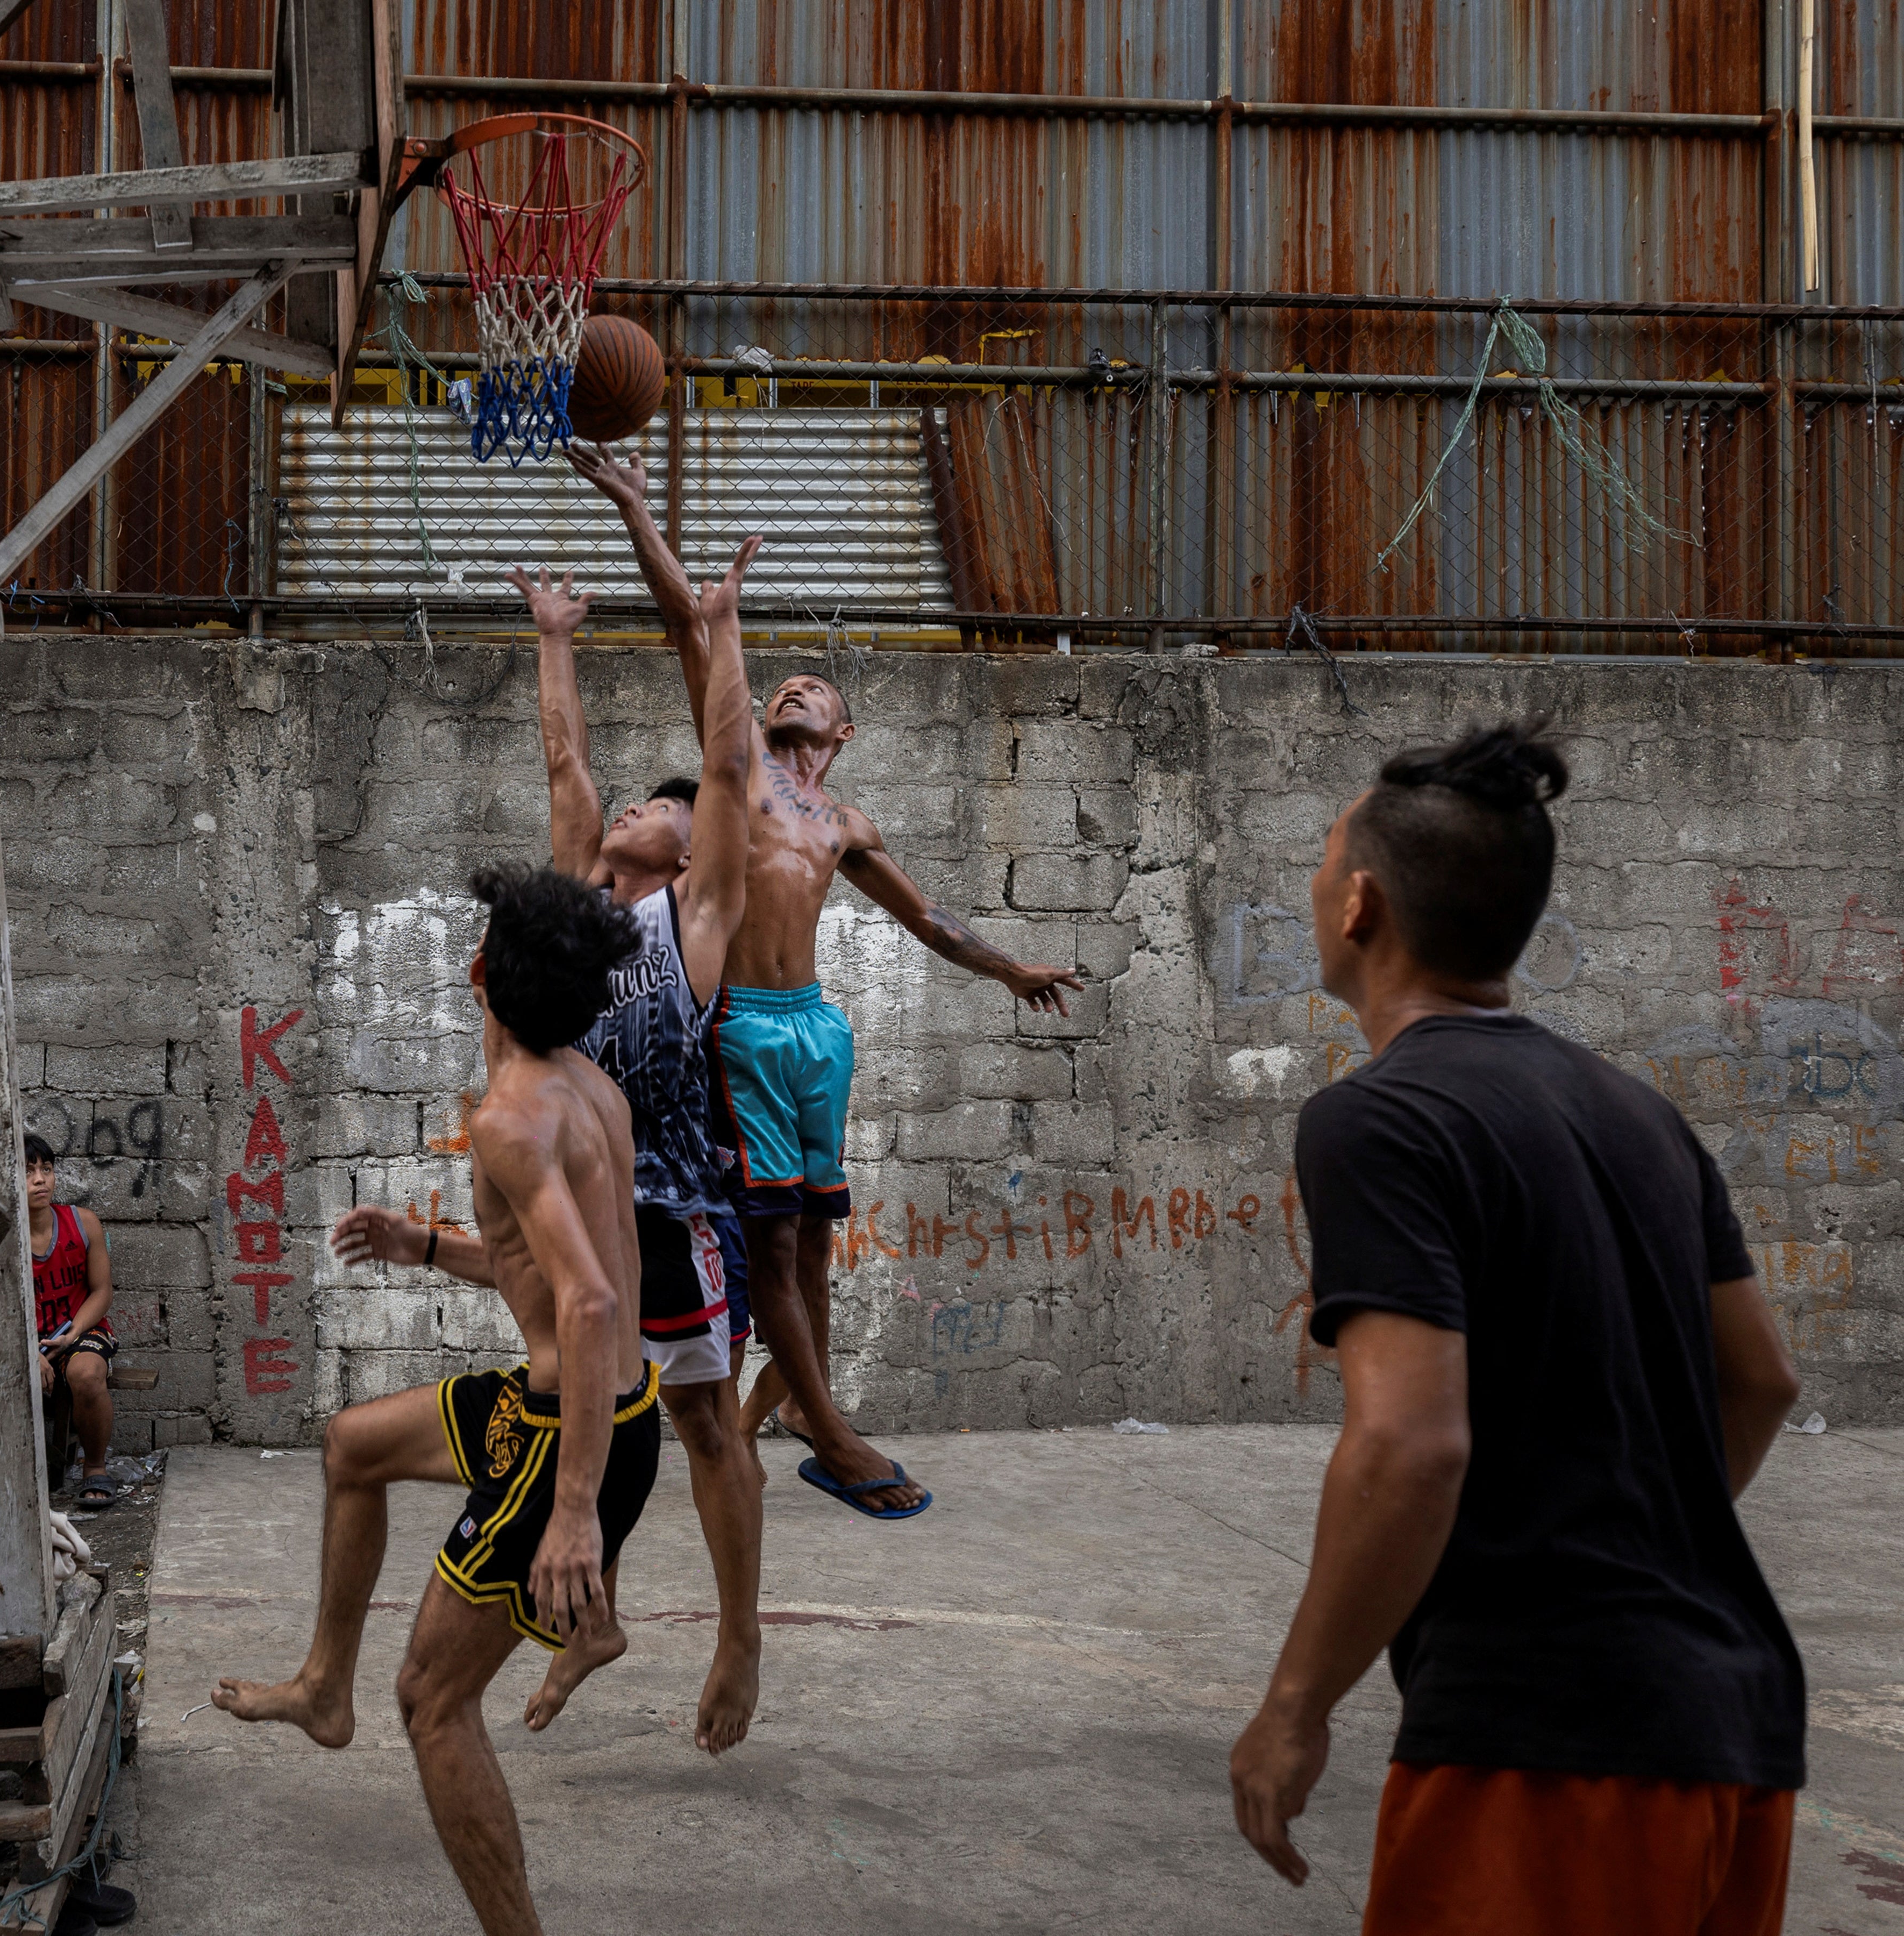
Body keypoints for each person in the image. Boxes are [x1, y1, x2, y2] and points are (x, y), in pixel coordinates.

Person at [1228, 722, 1807, 1935]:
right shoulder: (1637, 1111)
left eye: (1325, 857)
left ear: (1360, 908)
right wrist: (1630, 1537)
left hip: (1550, 1751)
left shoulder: (1381, 1121)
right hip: (1733, 1732)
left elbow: (1409, 1445)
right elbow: (1759, 1381)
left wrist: (1296, 1705)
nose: (1317, 880)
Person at [568, 445, 1085, 1520]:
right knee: (777, 1239)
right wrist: (633, 508)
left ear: (842, 734)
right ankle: (837, 1437)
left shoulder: (843, 823)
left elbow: (928, 919)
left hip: (818, 1034)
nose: (794, 685)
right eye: (783, 683)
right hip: (744, 1028)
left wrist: (1011, 971)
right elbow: (689, 629)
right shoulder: (742, 775)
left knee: (815, 1234)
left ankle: (805, 1405)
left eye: (817, 687)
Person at [331, 533, 767, 1755]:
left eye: (660, 810)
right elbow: (564, 758)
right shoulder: (576, 909)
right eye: (636, 801)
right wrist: (554, 635)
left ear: (684, 855)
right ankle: (593, 1612)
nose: (636, 804)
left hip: (671, 1205)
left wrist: (718, 627)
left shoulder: (694, 921)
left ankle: (735, 1632)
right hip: (577, 1177)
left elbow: (729, 769)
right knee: (565, 1354)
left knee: (698, 1424)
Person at [218, 866, 657, 1936]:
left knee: (432, 1701)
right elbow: (547, 1268)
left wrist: (574, 1516)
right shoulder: (585, 1086)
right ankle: (326, 1688)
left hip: (568, 1438)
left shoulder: (514, 1115)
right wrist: (425, 1244)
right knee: (352, 1446)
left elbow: (591, 1304)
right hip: (587, 1401)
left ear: (477, 976)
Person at [24, 1132, 124, 1508]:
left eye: (46, 1170)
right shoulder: (0, 1232)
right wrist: (29, 1352)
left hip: (79, 1330)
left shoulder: (82, 1223)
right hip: (23, 1338)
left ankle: (95, 1467)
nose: (40, 1179)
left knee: (86, 1373)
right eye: (29, 1171)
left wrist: (72, 1334)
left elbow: (102, 1292)